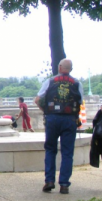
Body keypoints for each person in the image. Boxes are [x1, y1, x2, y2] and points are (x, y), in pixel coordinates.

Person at [35, 58, 84, 194]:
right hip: (70, 119)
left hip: (53, 118)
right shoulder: (77, 83)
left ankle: (49, 181)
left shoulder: (50, 81)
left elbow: (37, 99)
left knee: (50, 149)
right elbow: (80, 101)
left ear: (60, 67)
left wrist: (45, 110)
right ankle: (64, 184)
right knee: (67, 152)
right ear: (71, 69)